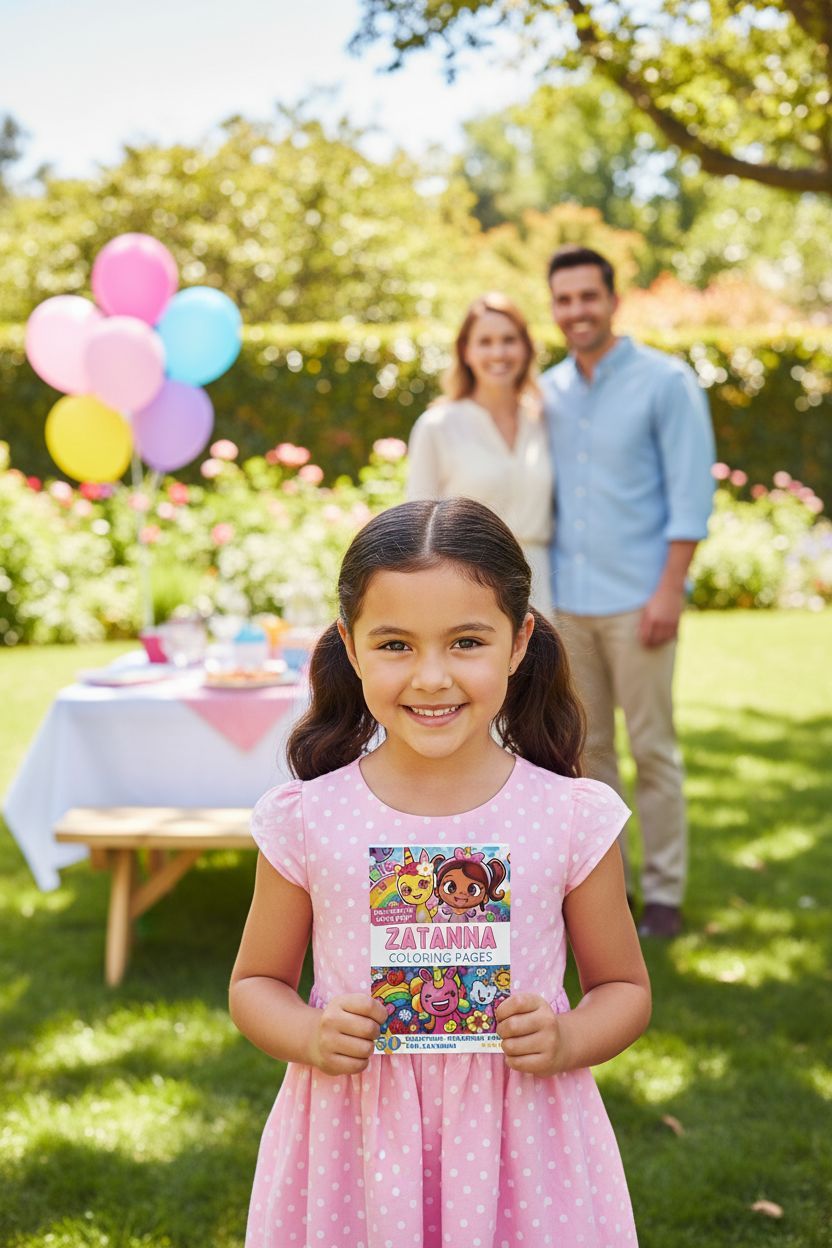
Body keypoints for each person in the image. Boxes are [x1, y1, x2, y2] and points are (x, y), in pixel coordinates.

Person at [230, 497, 651, 1248]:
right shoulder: (305, 818)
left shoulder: (572, 817)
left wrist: (566, 1038)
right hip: (350, 1139)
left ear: (519, 641)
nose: (431, 677)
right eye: (395, 644)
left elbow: (624, 989)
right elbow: (254, 983)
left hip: (522, 1141)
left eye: (465, 641)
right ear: (351, 648)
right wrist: (309, 1031)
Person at [540, 246, 715, 939]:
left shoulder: (665, 383)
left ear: (614, 300)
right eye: (564, 300)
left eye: (588, 296)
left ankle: (666, 894)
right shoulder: (546, 392)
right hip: (568, 607)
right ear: (553, 309)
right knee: (587, 756)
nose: (577, 310)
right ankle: (609, 896)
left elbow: (690, 496)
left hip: (640, 601)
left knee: (653, 749)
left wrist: (670, 591)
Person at [406, 293, 553, 612]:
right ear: (466, 351)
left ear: (526, 347)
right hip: (466, 588)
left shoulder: (541, 422)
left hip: (541, 590)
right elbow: (415, 529)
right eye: (485, 342)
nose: (498, 352)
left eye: (509, 340)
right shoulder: (437, 426)